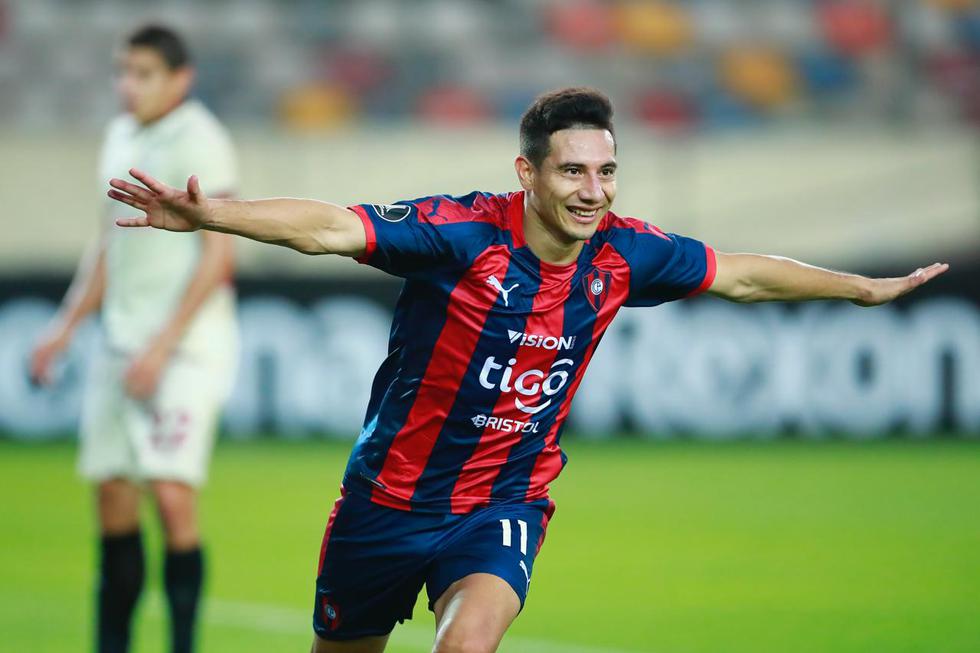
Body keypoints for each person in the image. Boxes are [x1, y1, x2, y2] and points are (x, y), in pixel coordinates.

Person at [103, 87, 946, 653]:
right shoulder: (461, 233)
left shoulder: (625, 253)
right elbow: (327, 227)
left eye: (607, 171)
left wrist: (860, 289)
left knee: (466, 643)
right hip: (386, 501)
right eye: (574, 170)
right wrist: (214, 213)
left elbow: (743, 272)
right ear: (528, 172)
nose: (594, 191)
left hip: (503, 499)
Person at [30, 25, 238, 653]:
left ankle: (181, 645)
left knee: (171, 495)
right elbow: (107, 244)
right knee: (113, 497)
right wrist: (65, 326)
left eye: (144, 73)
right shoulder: (120, 135)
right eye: (124, 72)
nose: (129, 85)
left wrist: (161, 346)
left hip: (185, 349)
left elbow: (219, 256)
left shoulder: (200, 138)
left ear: (180, 78)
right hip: (118, 343)